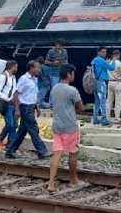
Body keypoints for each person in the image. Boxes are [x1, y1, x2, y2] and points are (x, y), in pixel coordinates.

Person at [48, 64, 84, 192]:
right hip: (70, 126)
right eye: (73, 73)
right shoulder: (72, 90)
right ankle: (73, 180)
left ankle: (51, 183)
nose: (74, 76)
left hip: (57, 125)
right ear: (69, 75)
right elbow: (81, 107)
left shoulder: (54, 88)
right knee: (73, 153)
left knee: (57, 153)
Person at [5, 61, 50, 160]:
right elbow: (16, 93)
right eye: (37, 68)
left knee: (22, 132)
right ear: (31, 68)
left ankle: (10, 151)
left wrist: (36, 107)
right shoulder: (24, 79)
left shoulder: (35, 79)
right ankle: (42, 151)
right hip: (24, 107)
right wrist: (17, 109)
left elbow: (32, 95)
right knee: (34, 129)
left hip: (30, 107)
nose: (39, 70)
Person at [0, 60, 18, 150]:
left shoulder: (13, 77)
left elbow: (14, 90)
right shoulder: (3, 77)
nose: (17, 68)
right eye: (16, 66)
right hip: (5, 104)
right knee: (10, 124)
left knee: (13, 124)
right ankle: (12, 145)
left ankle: (1, 140)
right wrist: (8, 99)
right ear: (12, 67)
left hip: (12, 104)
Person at [40, 39, 68, 109]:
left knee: (60, 89)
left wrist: (63, 63)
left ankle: (58, 103)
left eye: (60, 45)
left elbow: (67, 61)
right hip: (53, 73)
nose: (58, 46)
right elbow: (46, 61)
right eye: (57, 45)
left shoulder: (65, 51)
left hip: (61, 72)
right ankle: (51, 103)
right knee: (54, 88)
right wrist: (53, 63)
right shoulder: (51, 51)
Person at [91, 46, 115, 126]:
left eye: (105, 52)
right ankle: (104, 119)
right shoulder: (101, 60)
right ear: (99, 52)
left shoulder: (94, 60)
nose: (105, 54)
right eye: (103, 52)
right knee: (103, 100)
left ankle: (95, 118)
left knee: (97, 101)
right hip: (101, 82)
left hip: (94, 82)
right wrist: (113, 61)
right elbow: (112, 68)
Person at [107, 50, 121, 121]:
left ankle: (107, 117)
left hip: (110, 82)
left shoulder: (108, 63)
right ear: (118, 55)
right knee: (118, 101)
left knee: (109, 101)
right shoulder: (120, 63)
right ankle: (117, 118)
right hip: (118, 83)